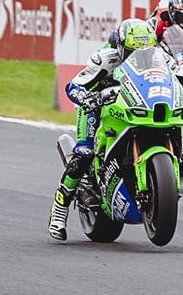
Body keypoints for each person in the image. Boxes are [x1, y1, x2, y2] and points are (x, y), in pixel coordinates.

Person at [47, 18, 157, 240]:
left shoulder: (158, 59)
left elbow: (177, 77)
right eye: (134, 52)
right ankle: (60, 207)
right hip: (99, 109)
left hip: (134, 109)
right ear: (122, 48)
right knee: (84, 152)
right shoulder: (106, 59)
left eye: (146, 51)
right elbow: (74, 86)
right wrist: (88, 98)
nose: (140, 56)